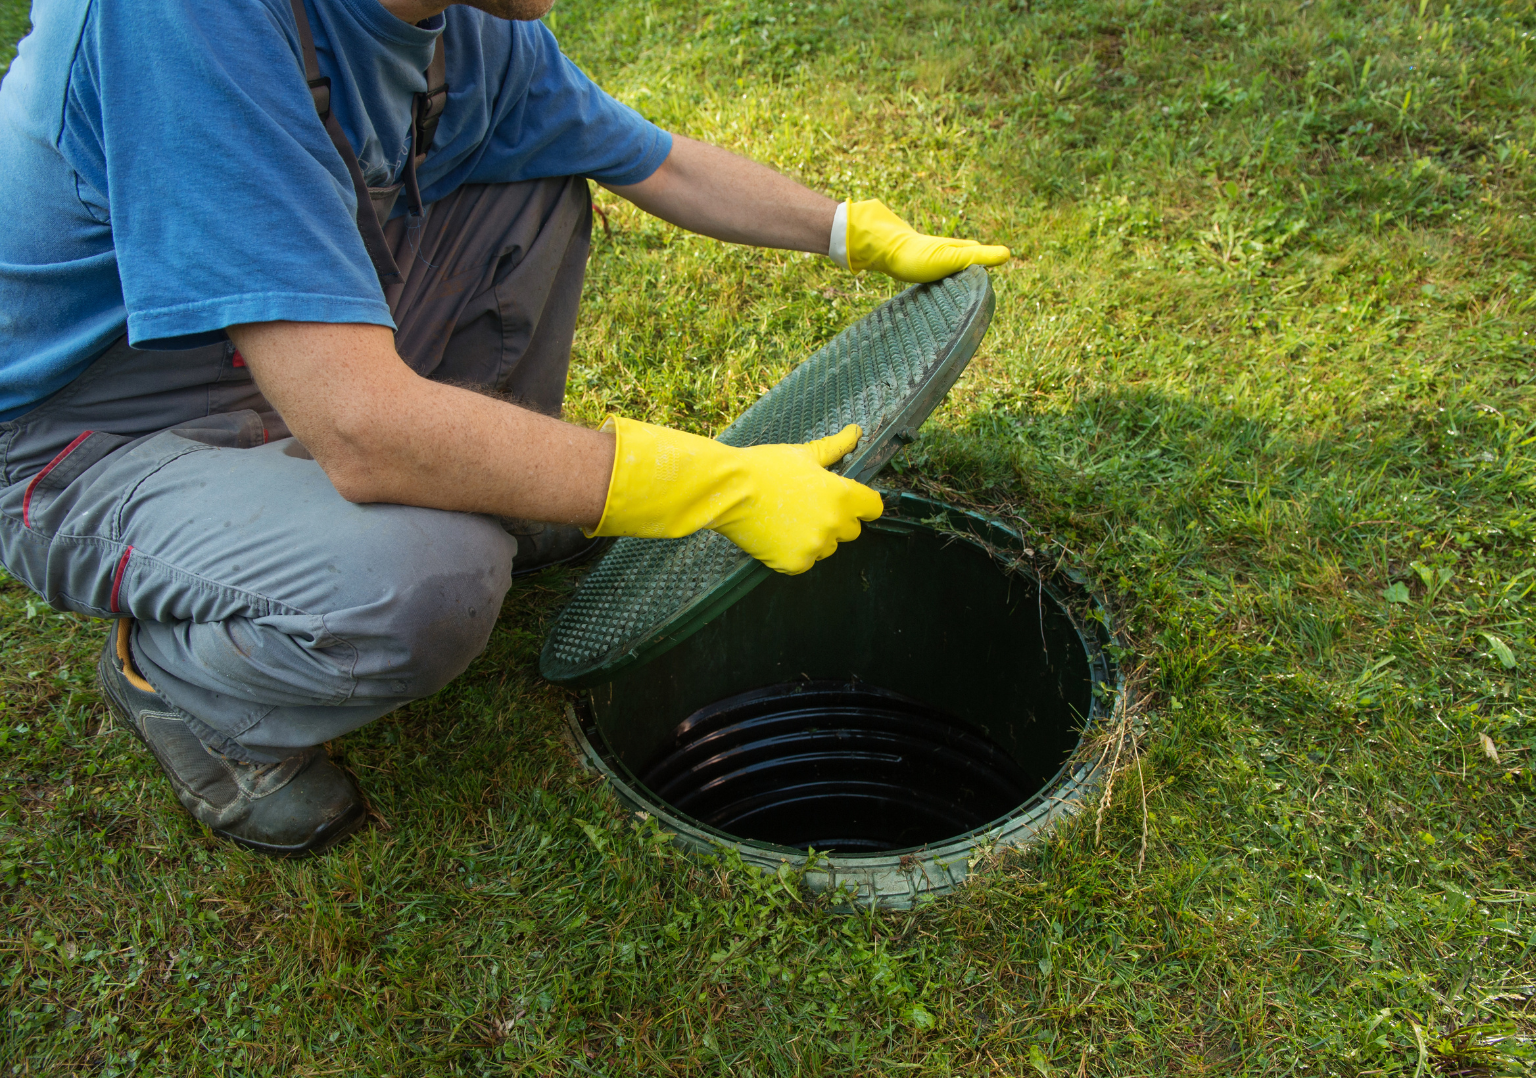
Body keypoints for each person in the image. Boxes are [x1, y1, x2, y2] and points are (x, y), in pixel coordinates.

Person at [0, 0, 1010, 856]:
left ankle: (489, 499)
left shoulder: (459, 24)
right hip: (92, 438)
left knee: (531, 180)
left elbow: (653, 161)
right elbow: (359, 426)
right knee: (421, 580)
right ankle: (177, 686)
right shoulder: (179, 24)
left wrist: (851, 230)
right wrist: (710, 483)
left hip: (284, 360)